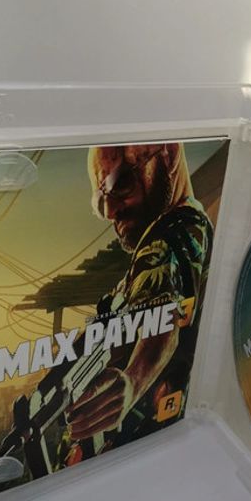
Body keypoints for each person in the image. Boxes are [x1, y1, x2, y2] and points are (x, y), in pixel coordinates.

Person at [64, 142, 213, 447]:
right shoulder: (195, 229)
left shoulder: (163, 240)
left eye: (120, 183)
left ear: (168, 154)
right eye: (100, 201)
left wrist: (133, 380)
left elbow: (163, 320)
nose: (110, 212)